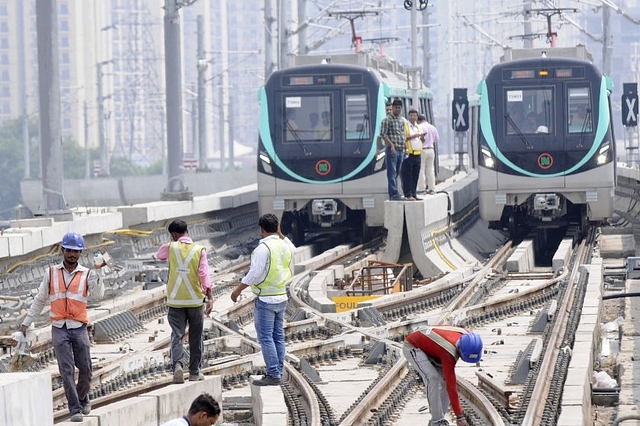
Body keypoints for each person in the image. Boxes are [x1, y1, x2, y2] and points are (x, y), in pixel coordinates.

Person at [20, 232, 106, 422]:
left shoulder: (87, 274)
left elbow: (98, 295)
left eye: (76, 251)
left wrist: (99, 271)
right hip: (59, 328)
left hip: (79, 326)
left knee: (86, 369)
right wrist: (26, 323)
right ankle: (74, 408)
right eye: (69, 250)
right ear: (63, 250)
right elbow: (40, 299)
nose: (72, 254)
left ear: (80, 253)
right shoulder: (51, 272)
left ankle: (82, 397)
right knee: (66, 370)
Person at [230, 213, 296, 386]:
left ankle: (273, 374)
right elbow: (293, 249)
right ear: (277, 228)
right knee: (278, 338)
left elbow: (254, 274)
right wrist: (281, 235)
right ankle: (278, 371)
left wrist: (237, 291)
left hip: (266, 299)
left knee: (266, 338)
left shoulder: (263, 248)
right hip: (281, 297)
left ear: (262, 230)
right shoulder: (284, 246)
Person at [156, 219, 213, 384]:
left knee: (177, 336)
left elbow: (159, 255)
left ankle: (178, 367)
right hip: (195, 301)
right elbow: (204, 275)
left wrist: (172, 244)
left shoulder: (170, 247)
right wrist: (210, 297)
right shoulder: (199, 250)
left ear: (174, 234)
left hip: (175, 302)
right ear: (187, 231)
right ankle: (195, 371)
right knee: (196, 337)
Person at [403, 326, 483, 426]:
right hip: (413, 346)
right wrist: (460, 416)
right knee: (433, 378)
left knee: (444, 381)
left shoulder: (469, 338)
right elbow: (452, 386)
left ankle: (439, 419)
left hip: (434, 351)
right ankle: (437, 422)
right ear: (459, 350)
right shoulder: (448, 352)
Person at [380, 99, 406, 200]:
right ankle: (393, 193)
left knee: (397, 172)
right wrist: (391, 145)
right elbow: (383, 134)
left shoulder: (401, 120)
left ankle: (396, 192)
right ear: (393, 108)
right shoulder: (387, 120)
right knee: (391, 172)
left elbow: (402, 134)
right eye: (396, 108)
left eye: (399, 108)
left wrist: (405, 149)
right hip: (392, 150)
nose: (398, 110)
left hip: (401, 150)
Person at [401, 109, 423, 201]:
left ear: (417, 117)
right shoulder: (405, 126)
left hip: (418, 154)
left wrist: (422, 138)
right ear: (408, 116)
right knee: (407, 175)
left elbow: (421, 138)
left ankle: (414, 193)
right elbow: (403, 138)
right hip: (408, 154)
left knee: (415, 175)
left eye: (415, 116)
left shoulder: (418, 127)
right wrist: (414, 136)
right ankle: (408, 194)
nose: (413, 117)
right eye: (411, 115)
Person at [417, 114, 440, 195]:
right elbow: (436, 139)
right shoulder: (432, 127)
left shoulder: (419, 127)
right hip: (431, 149)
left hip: (422, 150)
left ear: (418, 120)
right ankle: (431, 188)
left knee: (421, 169)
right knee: (430, 169)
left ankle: (422, 189)